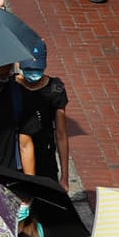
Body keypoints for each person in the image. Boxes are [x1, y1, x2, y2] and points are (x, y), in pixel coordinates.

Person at [17, 42, 70, 187]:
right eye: (28, 68)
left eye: (38, 69)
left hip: (44, 157)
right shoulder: (11, 87)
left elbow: (61, 134)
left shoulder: (55, 90)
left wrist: (65, 177)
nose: (33, 73)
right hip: (15, 158)